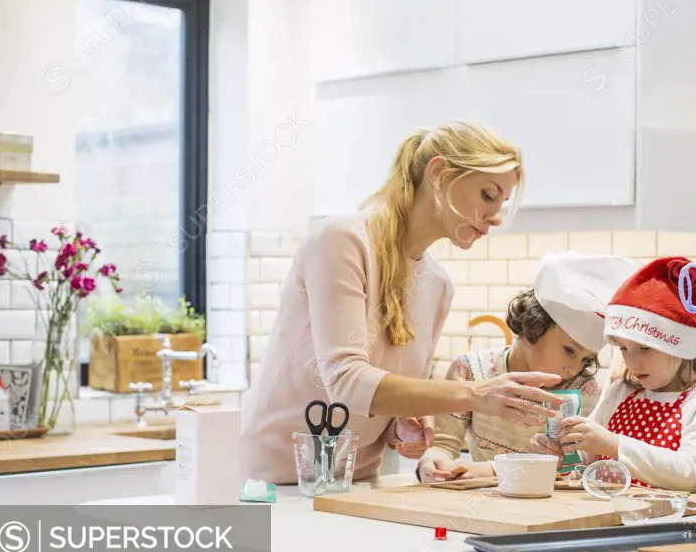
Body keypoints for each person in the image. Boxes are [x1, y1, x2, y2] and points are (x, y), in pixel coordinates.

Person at [239, 121, 564, 485]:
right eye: (488, 195)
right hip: (274, 482)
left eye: (503, 202)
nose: (497, 216)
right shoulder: (343, 242)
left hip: (356, 481)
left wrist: (402, 426)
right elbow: (346, 382)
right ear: (439, 174)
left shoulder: (438, 285)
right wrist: (477, 394)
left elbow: (383, 397)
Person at [417, 252, 640, 483]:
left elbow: (575, 468)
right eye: (569, 351)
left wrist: (490, 469)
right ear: (533, 327)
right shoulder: (469, 371)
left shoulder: (583, 388)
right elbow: (444, 445)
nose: (573, 370)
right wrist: (433, 460)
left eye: (585, 360)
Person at [536, 257, 696, 492]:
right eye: (623, 348)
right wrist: (560, 454)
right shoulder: (622, 392)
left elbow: (691, 473)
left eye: (645, 348)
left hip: (665, 522)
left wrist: (614, 444)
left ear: (680, 346)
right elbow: (586, 456)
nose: (632, 361)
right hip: (606, 518)